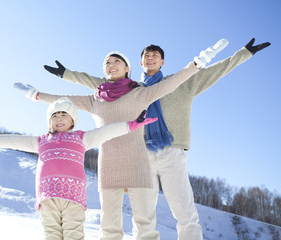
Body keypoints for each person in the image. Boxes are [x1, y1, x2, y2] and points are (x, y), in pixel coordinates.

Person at [42, 38, 271, 240]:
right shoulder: (131, 89)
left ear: (162, 62)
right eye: (146, 56)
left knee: (184, 210)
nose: (150, 58)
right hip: (140, 154)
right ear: (140, 63)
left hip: (172, 152)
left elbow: (215, 70)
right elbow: (99, 84)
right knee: (144, 213)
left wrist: (244, 53)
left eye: (155, 56)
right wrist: (67, 74)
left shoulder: (183, 82)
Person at [13, 41, 222, 240]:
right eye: (107, 62)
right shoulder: (95, 99)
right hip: (109, 163)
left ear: (127, 68)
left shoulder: (140, 93)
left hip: (139, 162)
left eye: (116, 61)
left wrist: (198, 62)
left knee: (145, 224)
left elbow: (171, 84)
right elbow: (64, 101)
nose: (111, 65)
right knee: (109, 224)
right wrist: (36, 95)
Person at [0, 97, 157, 240]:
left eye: (64, 115)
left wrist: (131, 125)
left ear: (72, 120)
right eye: (55, 115)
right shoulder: (40, 141)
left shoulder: (81, 138)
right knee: (51, 235)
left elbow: (106, 132)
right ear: (49, 121)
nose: (59, 118)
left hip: (73, 197)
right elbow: (15, 140)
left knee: (73, 234)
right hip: (48, 197)